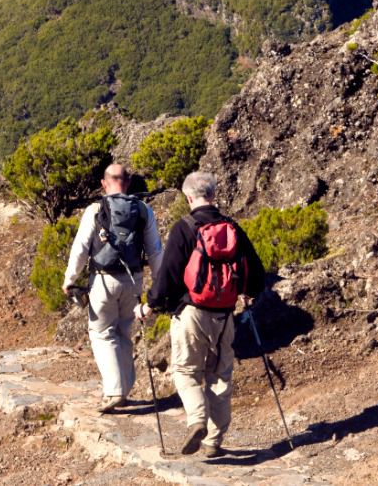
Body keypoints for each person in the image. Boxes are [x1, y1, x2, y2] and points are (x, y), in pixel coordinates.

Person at [140, 170, 265, 457]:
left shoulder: (184, 228)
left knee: (185, 370)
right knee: (220, 374)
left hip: (191, 312)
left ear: (188, 197)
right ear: (213, 194)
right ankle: (214, 440)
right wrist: (248, 292)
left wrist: (151, 304)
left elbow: (168, 275)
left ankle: (196, 420)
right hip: (225, 314)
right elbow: (255, 271)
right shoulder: (231, 227)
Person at [62, 162, 163, 413]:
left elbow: (81, 248)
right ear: (127, 183)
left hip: (103, 279)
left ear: (104, 183)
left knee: (101, 332)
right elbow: (155, 251)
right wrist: (160, 286)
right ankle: (124, 388)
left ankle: (115, 390)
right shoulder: (143, 210)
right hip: (134, 278)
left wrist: (70, 279)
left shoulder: (95, 209)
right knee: (125, 331)